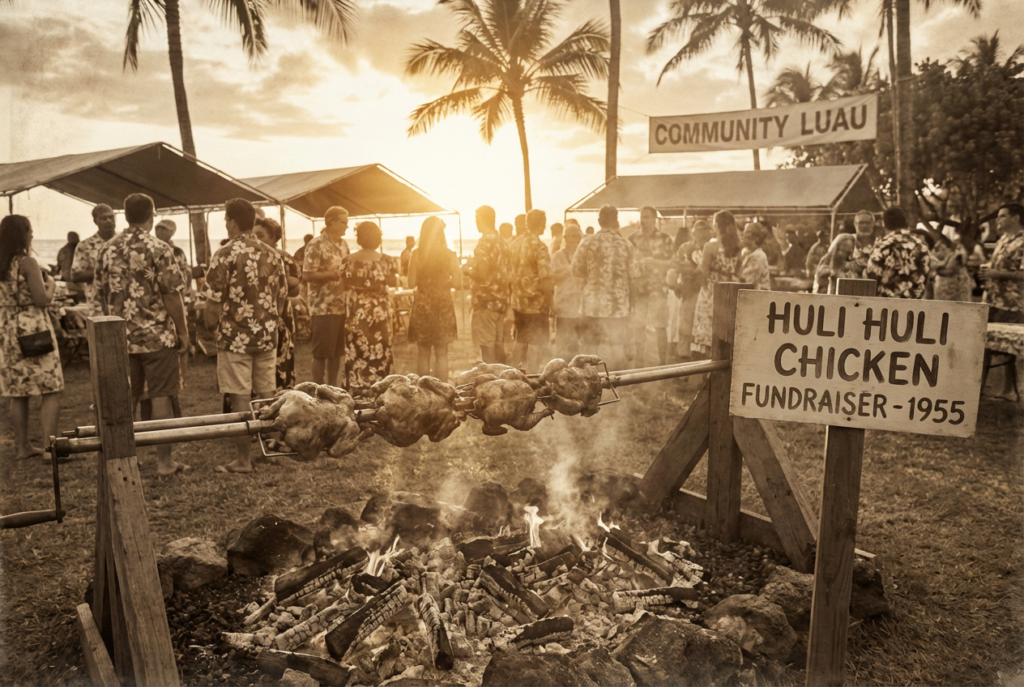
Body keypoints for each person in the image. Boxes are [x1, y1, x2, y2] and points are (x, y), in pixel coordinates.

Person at [96, 193, 189, 477]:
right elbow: (171, 295)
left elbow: (100, 295)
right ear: (151, 214)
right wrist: (183, 332)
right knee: (161, 397)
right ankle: (164, 462)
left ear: (125, 215)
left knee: (126, 399)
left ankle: (124, 460)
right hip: (156, 336)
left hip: (119, 336)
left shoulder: (107, 249)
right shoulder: (159, 248)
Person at [203, 199, 288, 473]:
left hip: (234, 338)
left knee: (239, 398)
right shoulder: (273, 254)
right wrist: (268, 322)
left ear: (231, 222)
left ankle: (243, 460)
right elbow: (282, 297)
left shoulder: (225, 254)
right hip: (266, 335)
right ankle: (271, 449)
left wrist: (210, 328)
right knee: (267, 394)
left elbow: (213, 303)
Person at [0, 215, 63, 460]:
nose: (32, 235)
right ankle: (50, 449)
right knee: (51, 388)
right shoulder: (27, 263)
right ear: (22, 234)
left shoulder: (2, 264)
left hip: (7, 330)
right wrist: (52, 286)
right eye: (30, 231)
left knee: (18, 391)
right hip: (33, 329)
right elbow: (41, 299)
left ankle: (22, 446)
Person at [571, 205, 641, 369]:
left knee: (589, 347)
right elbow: (635, 274)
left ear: (599, 221)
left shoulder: (587, 243)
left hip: (592, 306)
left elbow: (575, 270)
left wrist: (592, 275)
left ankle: (589, 379)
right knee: (617, 346)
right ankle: (616, 379)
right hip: (618, 307)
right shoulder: (626, 245)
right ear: (616, 221)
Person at [341, 221, 396, 396]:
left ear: (359, 238)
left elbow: (342, 285)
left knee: (356, 352)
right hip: (380, 313)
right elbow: (393, 283)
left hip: (357, 312)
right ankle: (379, 390)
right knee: (380, 353)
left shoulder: (348, 261)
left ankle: (356, 391)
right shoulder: (387, 261)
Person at [407, 216, 461, 380]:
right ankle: (442, 387)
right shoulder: (450, 255)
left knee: (423, 352)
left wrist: (426, 281)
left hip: (423, 304)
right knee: (442, 353)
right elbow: (458, 283)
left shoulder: (416, 254)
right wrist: (443, 282)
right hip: (443, 305)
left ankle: (424, 389)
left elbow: (410, 283)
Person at [980, 202, 1024, 399]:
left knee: (1007, 348)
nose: (998, 220)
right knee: (983, 344)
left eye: (1003, 216)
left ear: (1016, 218)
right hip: (993, 300)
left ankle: (1008, 390)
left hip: (1012, 303)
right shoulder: (1002, 240)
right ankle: (979, 388)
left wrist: (995, 273)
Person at [303, 206, 350, 386]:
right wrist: (332, 275)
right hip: (323, 307)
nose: (346, 226)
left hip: (341, 305)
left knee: (336, 353)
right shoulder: (316, 244)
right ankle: (317, 389)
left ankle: (331, 388)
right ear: (331, 222)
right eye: (343, 222)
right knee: (321, 353)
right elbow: (307, 275)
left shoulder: (343, 245)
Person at [254, 216, 301, 389]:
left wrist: (277, 280)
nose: (256, 240)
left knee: (280, 358)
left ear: (274, 238)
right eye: (253, 236)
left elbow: (296, 287)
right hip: (253, 314)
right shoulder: (248, 256)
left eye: (261, 236)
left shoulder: (284, 258)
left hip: (279, 315)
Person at [691, 210, 742, 358]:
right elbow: (739, 273)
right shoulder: (737, 248)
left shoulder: (710, 246)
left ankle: (705, 366)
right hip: (728, 294)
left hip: (710, 294)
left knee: (706, 336)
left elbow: (703, 273)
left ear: (717, 226)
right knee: (724, 335)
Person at [462, 205, 509, 364]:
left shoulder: (484, 243)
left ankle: (491, 377)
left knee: (487, 347)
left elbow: (482, 274)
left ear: (482, 219)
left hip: (486, 302)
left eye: (476, 219)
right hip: (501, 301)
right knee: (498, 344)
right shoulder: (502, 242)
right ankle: (503, 375)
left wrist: (467, 270)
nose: (476, 222)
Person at [509, 208, 554, 371]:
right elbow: (545, 277)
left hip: (519, 302)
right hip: (536, 303)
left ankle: (512, 373)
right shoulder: (540, 247)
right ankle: (533, 376)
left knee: (520, 340)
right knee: (535, 344)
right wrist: (551, 302)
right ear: (542, 223)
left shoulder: (515, 244)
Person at [629, 205, 675, 366]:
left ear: (655, 219)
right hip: (638, 290)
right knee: (638, 326)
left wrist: (655, 262)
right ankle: (639, 361)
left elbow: (673, 263)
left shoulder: (665, 239)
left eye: (647, 217)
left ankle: (662, 362)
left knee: (660, 326)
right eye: (642, 216)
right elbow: (627, 263)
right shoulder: (632, 239)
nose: (643, 220)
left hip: (658, 290)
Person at [667, 219, 712, 359]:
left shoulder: (713, 248)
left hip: (707, 292)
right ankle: (684, 355)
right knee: (686, 324)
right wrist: (678, 284)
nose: (702, 234)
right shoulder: (686, 247)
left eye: (705, 230)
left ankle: (702, 355)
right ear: (693, 232)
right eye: (698, 230)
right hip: (690, 291)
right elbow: (674, 264)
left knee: (704, 327)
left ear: (709, 232)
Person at [865, 207, 931, 299]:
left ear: (884, 224)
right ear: (905, 222)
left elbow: (871, 279)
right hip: (914, 305)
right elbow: (925, 278)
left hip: (885, 304)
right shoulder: (922, 246)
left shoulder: (882, 246)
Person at [71, 203, 118, 316]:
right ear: (95, 221)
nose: (108, 221)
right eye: (103, 218)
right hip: (98, 304)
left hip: (124, 303)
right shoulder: (85, 246)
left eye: (111, 217)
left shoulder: (125, 243)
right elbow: (75, 276)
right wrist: (105, 271)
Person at [551, 220, 584, 359]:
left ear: (580, 237)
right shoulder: (557, 256)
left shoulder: (585, 255)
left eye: (575, 236)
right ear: (564, 238)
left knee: (580, 345)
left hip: (582, 308)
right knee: (563, 345)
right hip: (564, 307)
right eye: (568, 236)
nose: (572, 239)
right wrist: (569, 270)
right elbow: (553, 279)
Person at [931, 233, 973, 302]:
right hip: (945, 287)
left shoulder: (957, 254)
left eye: (942, 249)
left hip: (955, 287)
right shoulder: (948, 253)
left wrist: (936, 270)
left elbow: (948, 271)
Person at [739, 222, 772, 291]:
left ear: (756, 238)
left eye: (747, 232)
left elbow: (748, 280)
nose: (743, 235)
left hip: (759, 294)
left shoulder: (759, 256)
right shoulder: (745, 252)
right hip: (748, 292)